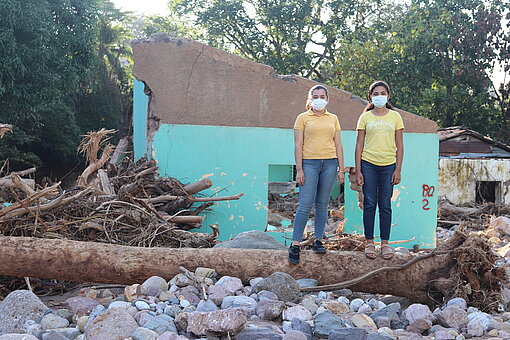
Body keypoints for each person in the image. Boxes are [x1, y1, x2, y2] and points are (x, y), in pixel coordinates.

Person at [289, 84, 344, 264]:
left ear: (327, 99)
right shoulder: (302, 118)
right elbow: (298, 145)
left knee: (322, 204)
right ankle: (295, 244)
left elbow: (338, 145)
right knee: (305, 204)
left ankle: (318, 240)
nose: (319, 99)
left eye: (322, 96)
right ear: (310, 99)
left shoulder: (333, 118)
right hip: (309, 164)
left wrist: (341, 169)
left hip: (330, 163)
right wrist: (299, 169)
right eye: (315, 96)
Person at [355, 81, 404, 259]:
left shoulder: (395, 117)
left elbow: (400, 145)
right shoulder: (365, 117)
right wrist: (358, 170)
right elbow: (359, 144)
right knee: (369, 204)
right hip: (368, 164)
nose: (379, 96)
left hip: (388, 165)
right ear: (370, 97)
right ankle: (369, 243)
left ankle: (385, 244)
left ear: (388, 96)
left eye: (383, 93)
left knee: (385, 204)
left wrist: (398, 169)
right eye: (376, 93)